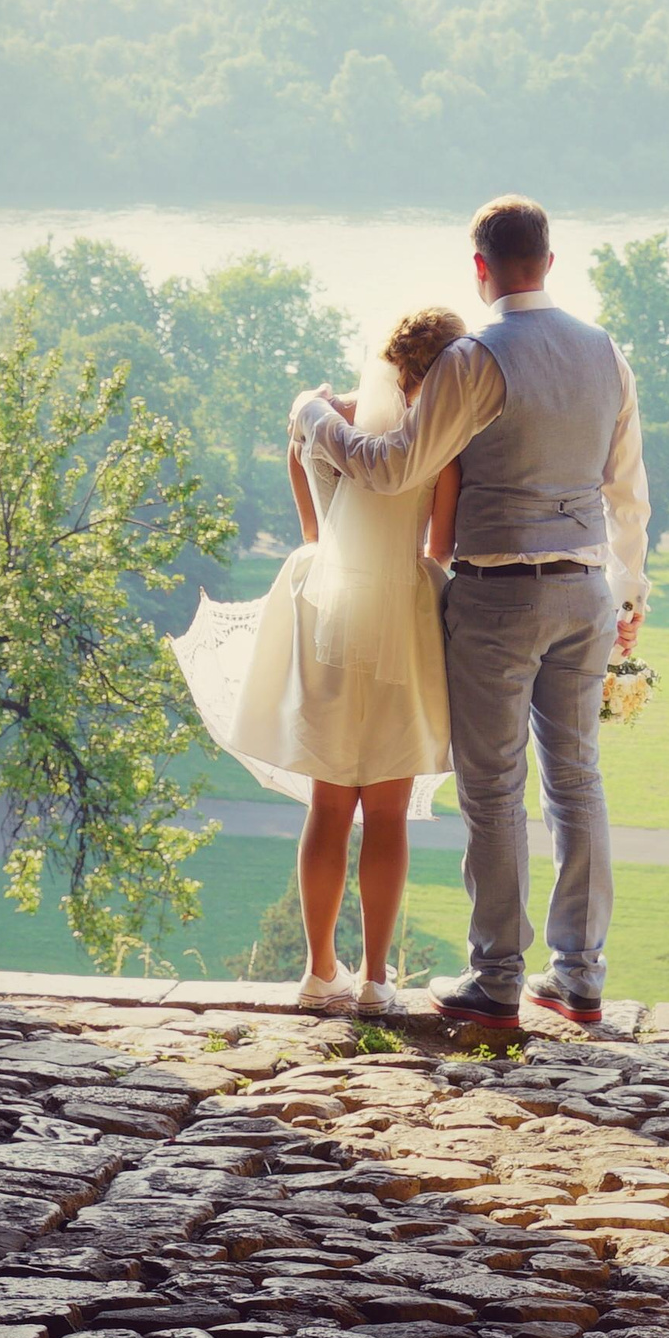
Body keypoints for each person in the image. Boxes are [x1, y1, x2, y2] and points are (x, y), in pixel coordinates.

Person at [290, 195, 650, 1030]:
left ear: (480, 268)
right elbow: (627, 490)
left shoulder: (474, 358)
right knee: (577, 780)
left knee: (493, 789)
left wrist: (312, 418)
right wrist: (628, 596)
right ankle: (579, 976)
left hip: (500, 594)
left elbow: (392, 467)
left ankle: (496, 981)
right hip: (585, 589)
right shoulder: (606, 352)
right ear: (549, 262)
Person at [169, 307, 468, 1014]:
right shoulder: (439, 445)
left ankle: (319, 969)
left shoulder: (315, 425)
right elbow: (439, 550)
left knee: (330, 804)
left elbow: (313, 531)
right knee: (387, 812)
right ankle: (376, 980)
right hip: (402, 619)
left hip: (323, 614)